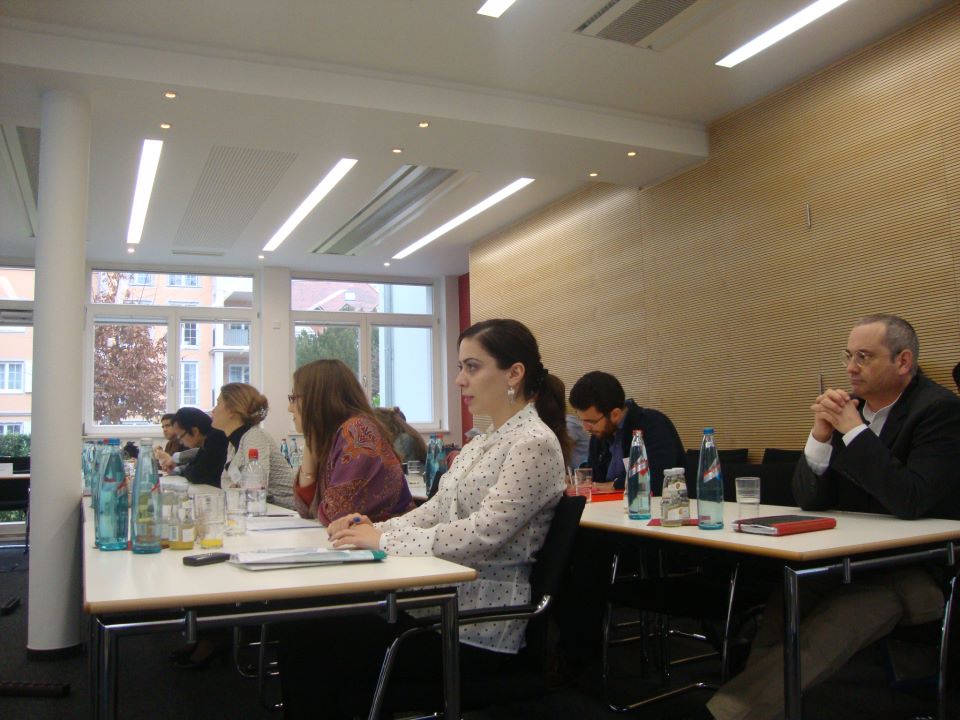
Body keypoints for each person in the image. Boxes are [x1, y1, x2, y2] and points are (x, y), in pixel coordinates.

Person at [277, 318, 571, 719]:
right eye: (460, 367)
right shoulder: (482, 443)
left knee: (317, 641)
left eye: (472, 367)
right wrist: (369, 529)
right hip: (441, 608)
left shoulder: (533, 443)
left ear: (514, 374)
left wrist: (383, 541)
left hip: (478, 627)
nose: (460, 380)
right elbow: (434, 510)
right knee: (304, 628)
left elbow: (484, 533)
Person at [707, 314, 960, 720]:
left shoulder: (939, 411)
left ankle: (731, 713)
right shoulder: (851, 412)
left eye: (864, 357)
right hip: (851, 559)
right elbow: (809, 499)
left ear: (903, 361)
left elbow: (911, 498)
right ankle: (760, 707)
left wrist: (855, 433)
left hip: (916, 569)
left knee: (835, 623)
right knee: (786, 602)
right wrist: (820, 436)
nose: (851, 368)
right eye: (848, 356)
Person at [289, 359, 415, 525]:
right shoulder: (332, 436)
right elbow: (307, 510)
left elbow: (337, 514)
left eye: (293, 398)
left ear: (317, 398)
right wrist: (310, 440)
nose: (290, 408)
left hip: (390, 536)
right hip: (366, 535)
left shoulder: (357, 431)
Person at [569, 370, 685, 495]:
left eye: (591, 422)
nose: (586, 428)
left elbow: (655, 479)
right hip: (609, 505)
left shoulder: (653, 425)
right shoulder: (599, 435)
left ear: (615, 414)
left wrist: (613, 486)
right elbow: (595, 480)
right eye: (582, 420)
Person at [211, 383, 295, 510]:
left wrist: (238, 489)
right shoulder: (233, 444)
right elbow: (226, 482)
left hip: (287, 511)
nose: (213, 410)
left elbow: (257, 489)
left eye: (218, 403)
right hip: (263, 509)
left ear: (232, 411)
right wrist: (237, 489)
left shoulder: (255, 436)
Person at [157, 407, 228, 487]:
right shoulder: (205, 442)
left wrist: (188, 469)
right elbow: (192, 466)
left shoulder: (216, 439)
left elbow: (196, 475)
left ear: (195, 431)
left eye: (181, 436)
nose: (180, 441)